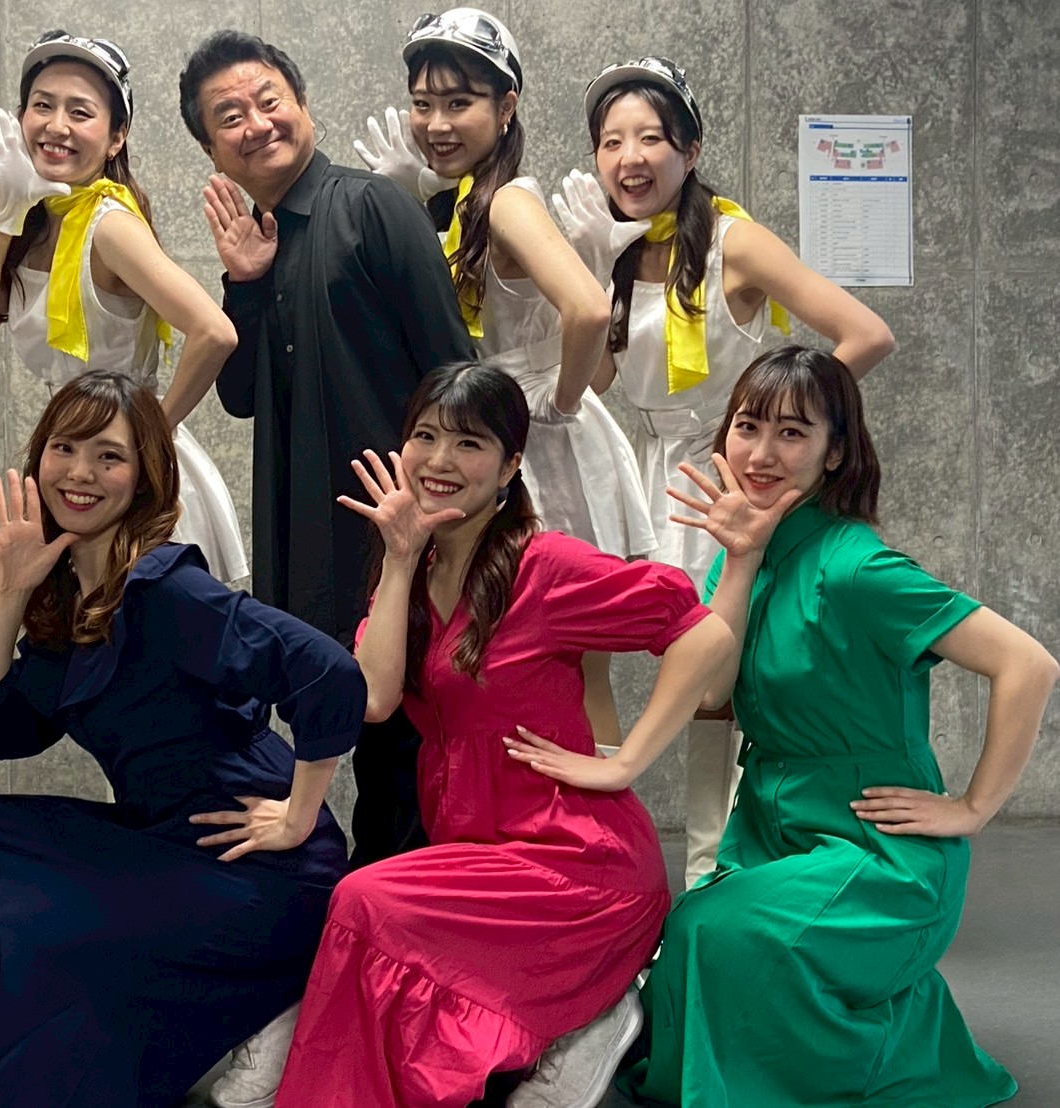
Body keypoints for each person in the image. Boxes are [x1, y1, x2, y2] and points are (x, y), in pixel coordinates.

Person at [547, 346, 1055, 1106]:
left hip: (875, 844)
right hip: (776, 825)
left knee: (720, 936)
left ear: (834, 452)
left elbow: (1027, 664)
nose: (760, 453)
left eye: (792, 433)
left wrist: (974, 807)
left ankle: (871, 1060)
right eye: (747, 426)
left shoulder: (857, 568)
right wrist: (740, 561)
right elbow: (712, 692)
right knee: (686, 935)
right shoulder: (743, 556)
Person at [268, 362, 734, 1108]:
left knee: (365, 900)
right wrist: (398, 558)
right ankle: (566, 1027)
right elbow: (376, 699)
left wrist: (625, 764)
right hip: (483, 853)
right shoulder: (413, 568)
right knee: (372, 918)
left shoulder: (545, 566)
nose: (440, 460)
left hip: (577, 867)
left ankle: (582, 1013)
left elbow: (701, 635)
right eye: (425, 436)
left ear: (511, 466)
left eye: (469, 443)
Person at [0, 372, 365, 1108]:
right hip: (166, 838)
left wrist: (297, 815)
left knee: (56, 922)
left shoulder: (166, 590)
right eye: (65, 448)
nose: (80, 473)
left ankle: (274, 993)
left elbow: (329, 673)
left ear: (145, 476)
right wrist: (9, 594)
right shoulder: (74, 597)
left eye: (109, 456)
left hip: (257, 865)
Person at [555, 56, 896, 886]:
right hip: (640, 471)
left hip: (727, 479)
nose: (629, 158)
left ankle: (719, 869)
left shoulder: (732, 242)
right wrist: (588, 274)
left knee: (723, 678)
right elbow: (601, 380)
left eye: (650, 138)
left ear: (691, 149)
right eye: (610, 142)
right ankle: (616, 865)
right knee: (624, 659)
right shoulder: (613, 247)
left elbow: (865, 334)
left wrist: (773, 437)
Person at [180, 29, 475, 870]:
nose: (256, 124)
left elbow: (454, 368)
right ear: (212, 150)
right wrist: (243, 284)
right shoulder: (262, 240)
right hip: (314, 523)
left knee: (408, 730)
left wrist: (446, 506)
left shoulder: (371, 206)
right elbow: (241, 397)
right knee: (357, 711)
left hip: (401, 528)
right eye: (229, 116)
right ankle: (375, 890)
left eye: (268, 100)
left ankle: (403, 895)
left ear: (302, 105)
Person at [357, 7, 655, 747]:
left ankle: (597, 801)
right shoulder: (464, 204)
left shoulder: (510, 200)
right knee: (521, 650)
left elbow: (587, 310)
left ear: (506, 106)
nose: (436, 123)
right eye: (422, 103)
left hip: (537, 441)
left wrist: (558, 402)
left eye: (459, 102)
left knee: (571, 653)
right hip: (497, 434)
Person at [0, 31, 248, 581]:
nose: (56, 125)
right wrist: (2, 213)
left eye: (80, 112)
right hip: (72, 468)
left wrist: (147, 439)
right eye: (42, 106)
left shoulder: (109, 225)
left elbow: (216, 331)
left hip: (128, 476)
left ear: (116, 138)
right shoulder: (32, 221)